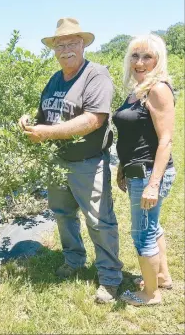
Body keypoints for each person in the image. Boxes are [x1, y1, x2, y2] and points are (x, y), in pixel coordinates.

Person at [19, 17, 123, 303]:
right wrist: (29, 121)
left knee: (99, 221)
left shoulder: (96, 75)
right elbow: (46, 113)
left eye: (72, 43)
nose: (66, 49)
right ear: (54, 49)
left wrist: (47, 133)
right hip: (57, 162)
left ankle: (111, 277)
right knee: (63, 215)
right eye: (60, 44)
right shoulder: (55, 79)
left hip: (88, 162)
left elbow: (93, 119)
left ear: (83, 45)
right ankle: (74, 260)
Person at [112, 33, 176, 306]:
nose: (139, 62)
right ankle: (161, 277)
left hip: (150, 174)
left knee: (142, 234)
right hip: (137, 170)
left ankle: (150, 294)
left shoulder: (157, 89)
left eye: (147, 56)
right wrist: (122, 167)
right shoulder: (137, 90)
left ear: (158, 60)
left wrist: (153, 184)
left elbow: (166, 140)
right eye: (135, 56)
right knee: (153, 226)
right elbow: (134, 135)